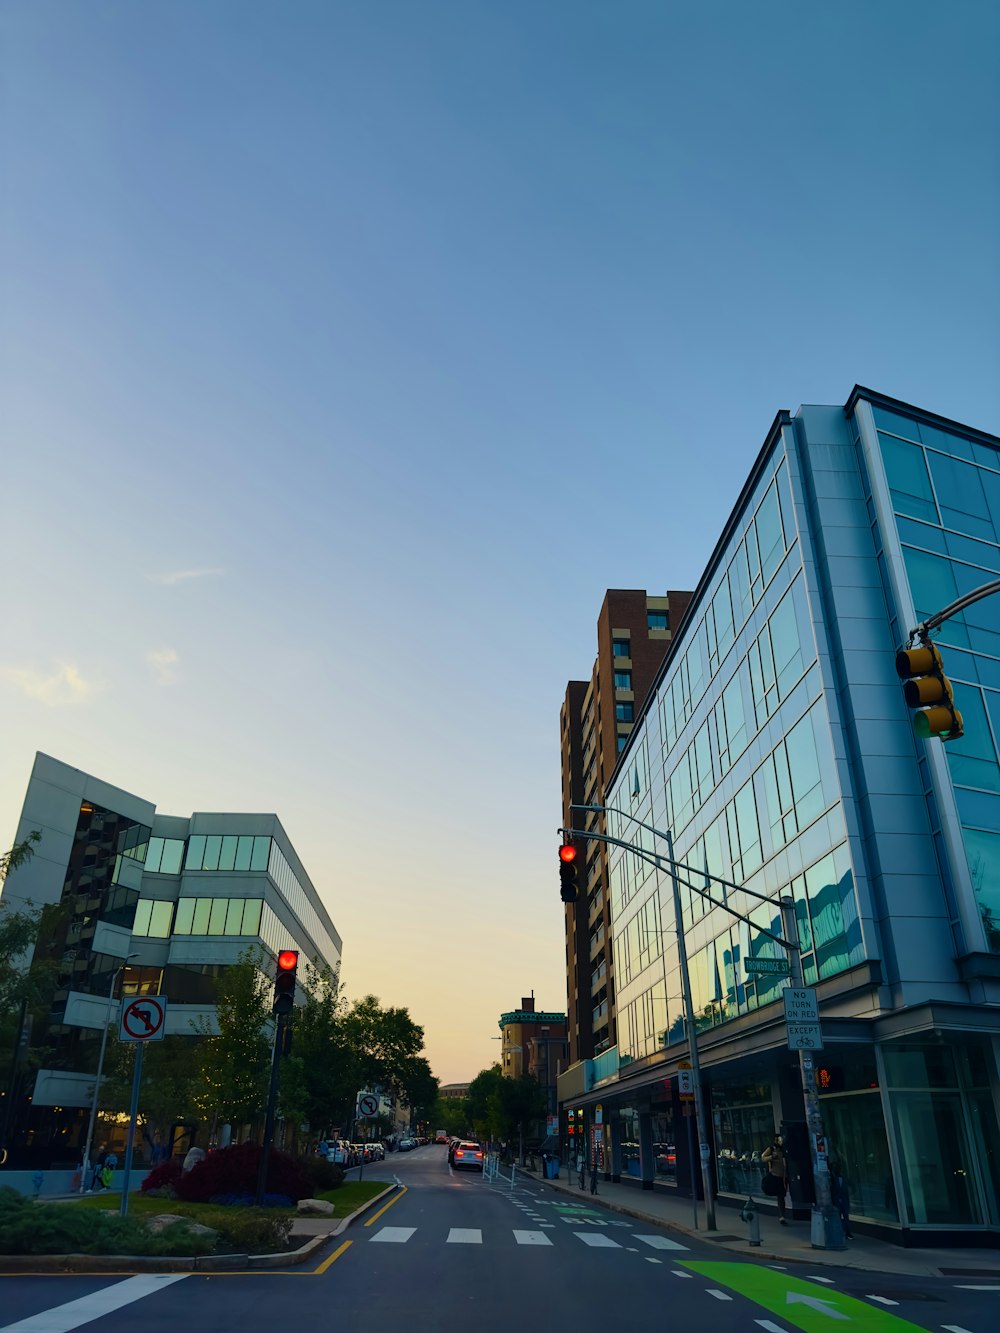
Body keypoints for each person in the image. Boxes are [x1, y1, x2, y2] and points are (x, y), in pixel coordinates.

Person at [761, 1134, 790, 1224]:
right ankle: (781, 1216)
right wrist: (771, 1157)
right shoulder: (772, 1149)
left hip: (785, 1176)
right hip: (775, 1175)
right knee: (780, 1196)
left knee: (782, 1196)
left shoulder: (785, 1150)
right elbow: (763, 1157)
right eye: (777, 1140)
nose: (779, 1142)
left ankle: (782, 1215)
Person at [828, 1153, 853, 1239]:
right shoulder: (836, 1180)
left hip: (842, 1200)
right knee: (841, 1217)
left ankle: (846, 1232)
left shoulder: (841, 1179)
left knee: (844, 1217)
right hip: (839, 1200)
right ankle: (843, 1232)